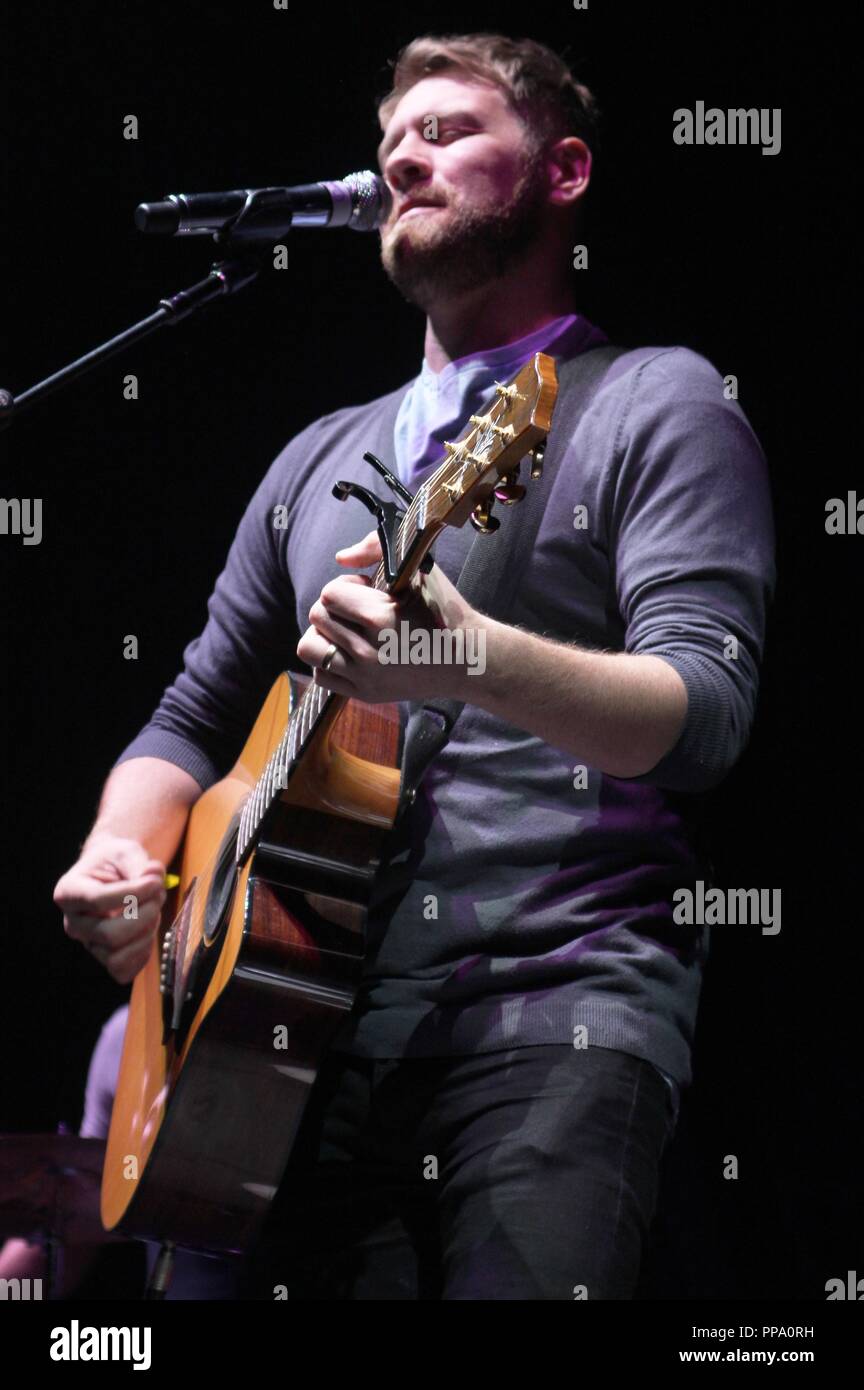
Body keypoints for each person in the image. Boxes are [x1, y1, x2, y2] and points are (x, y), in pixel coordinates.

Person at [54, 33, 776, 1299]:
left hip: (553, 1014)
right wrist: (122, 850)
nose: (403, 157)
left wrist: (472, 659)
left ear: (561, 172)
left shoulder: (657, 400)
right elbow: (190, 717)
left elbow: (705, 716)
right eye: (393, 141)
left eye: (447, 133)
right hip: (281, 1037)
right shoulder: (314, 456)